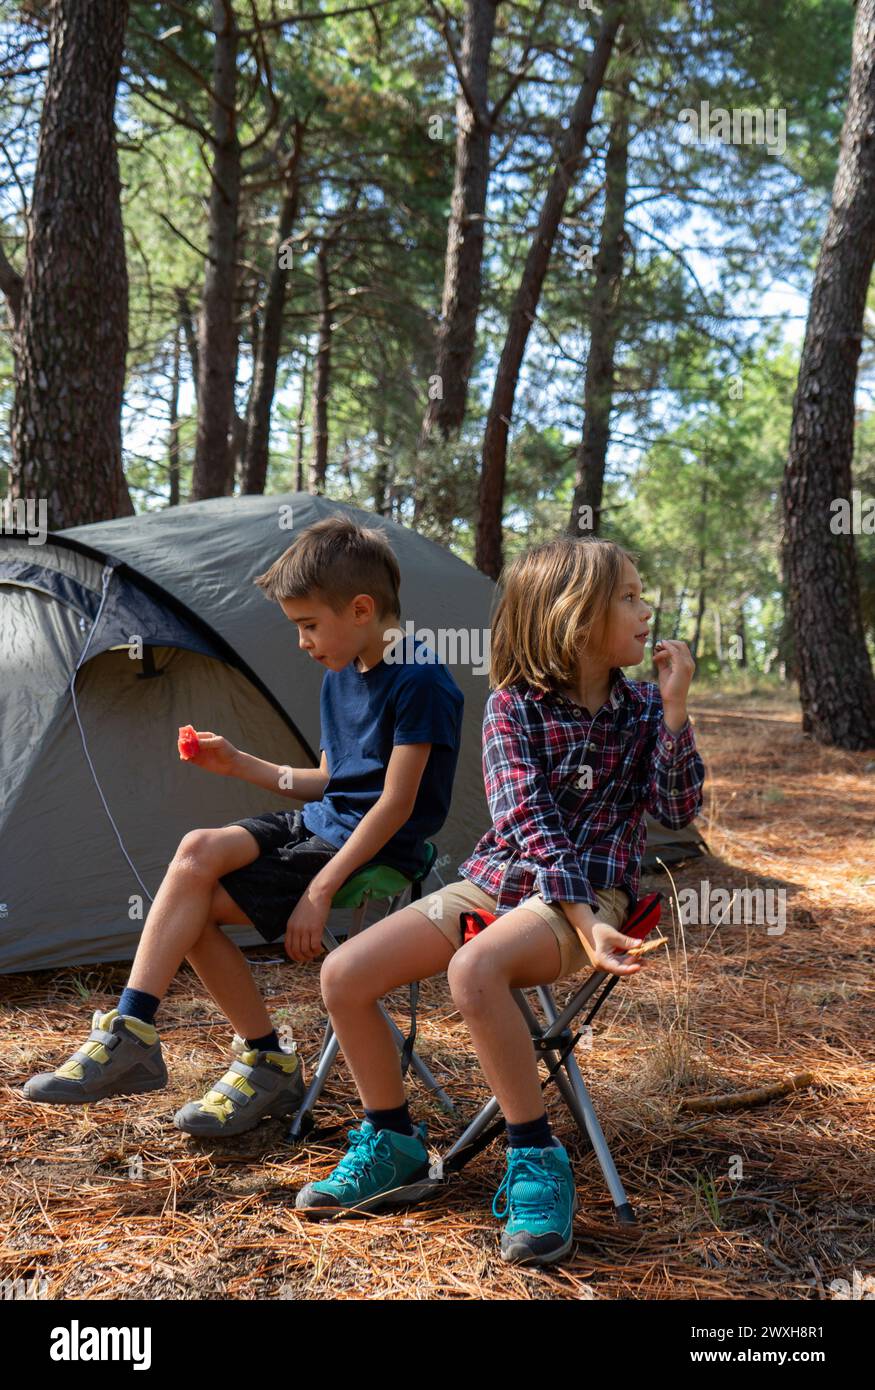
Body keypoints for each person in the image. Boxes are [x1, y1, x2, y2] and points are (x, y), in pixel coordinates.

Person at [295, 535, 705, 1266]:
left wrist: (674, 713)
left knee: (474, 971)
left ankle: (536, 1158)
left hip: (598, 891)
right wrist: (573, 916)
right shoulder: (512, 708)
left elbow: (676, 808)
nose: (648, 610)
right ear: (574, 618)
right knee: (343, 976)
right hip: (505, 881)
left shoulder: (642, 708)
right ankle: (391, 1142)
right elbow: (528, 823)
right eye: (631, 597)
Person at [23, 517, 464, 1138]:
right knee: (196, 851)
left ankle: (264, 1059)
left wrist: (319, 890)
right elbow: (326, 780)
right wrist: (237, 763)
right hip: (322, 822)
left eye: (309, 625)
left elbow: (391, 805)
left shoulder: (420, 681)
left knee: (192, 911)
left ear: (361, 609)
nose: (303, 643)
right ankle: (132, 1030)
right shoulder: (341, 674)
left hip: (371, 846)